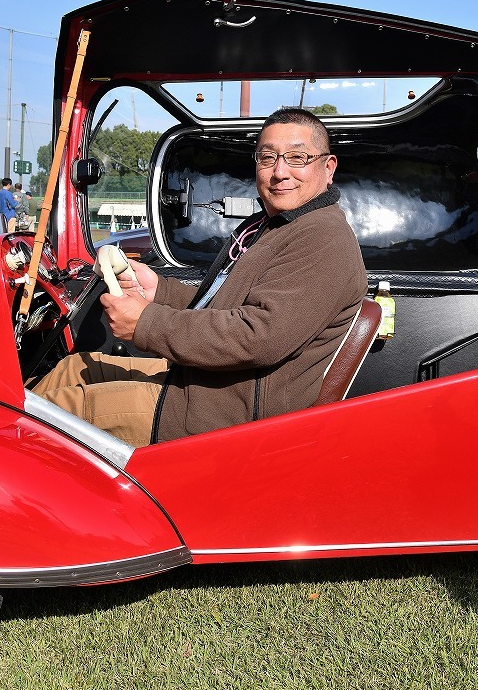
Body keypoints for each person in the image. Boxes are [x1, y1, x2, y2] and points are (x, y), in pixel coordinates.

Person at [33, 107, 367, 447]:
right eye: (268, 158)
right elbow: (228, 304)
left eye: (297, 157)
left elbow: (255, 337)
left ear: (328, 168)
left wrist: (146, 323)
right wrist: (158, 292)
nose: (280, 171)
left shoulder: (323, 238)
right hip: (204, 385)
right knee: (73, 368)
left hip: (220, 417)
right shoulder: (278, 226)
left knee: (49, 415)